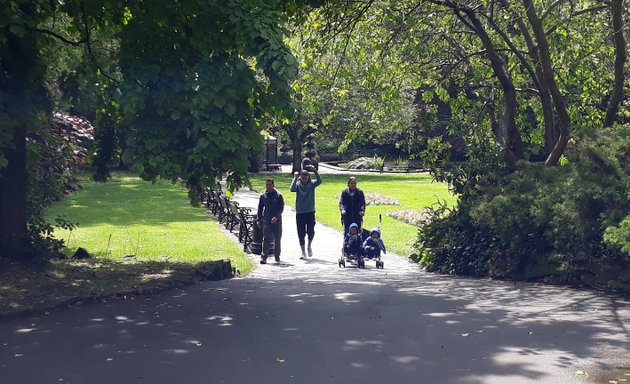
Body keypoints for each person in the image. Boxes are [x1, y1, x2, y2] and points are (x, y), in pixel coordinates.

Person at [290, 167, 322, 259]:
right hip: (300, 212)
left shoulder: (311, 184)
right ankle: (303, 252)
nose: (304, 178)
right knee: (301, 232)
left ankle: (309, 246)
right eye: (303, 176)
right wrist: (294, 178)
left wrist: (315, 171)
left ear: (308, 177)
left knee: (311, 231)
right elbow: (291, 189)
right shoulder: (298, 185)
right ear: (300, 177)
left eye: (306, 176)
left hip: (310, 211)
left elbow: (319, 181)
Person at [256, 178, 284, 264]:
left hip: (277, 221)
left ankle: (277, 256)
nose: (268, 186)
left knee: (277, 239)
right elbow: (260, 209)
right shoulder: (263, 196)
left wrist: (276, 217)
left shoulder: (278, 195)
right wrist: (258, 220)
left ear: (273, 185)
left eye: (270, 185)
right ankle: (264, 257)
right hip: (266, 220)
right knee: (266, 239)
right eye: (267, 185)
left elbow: (281, 208)